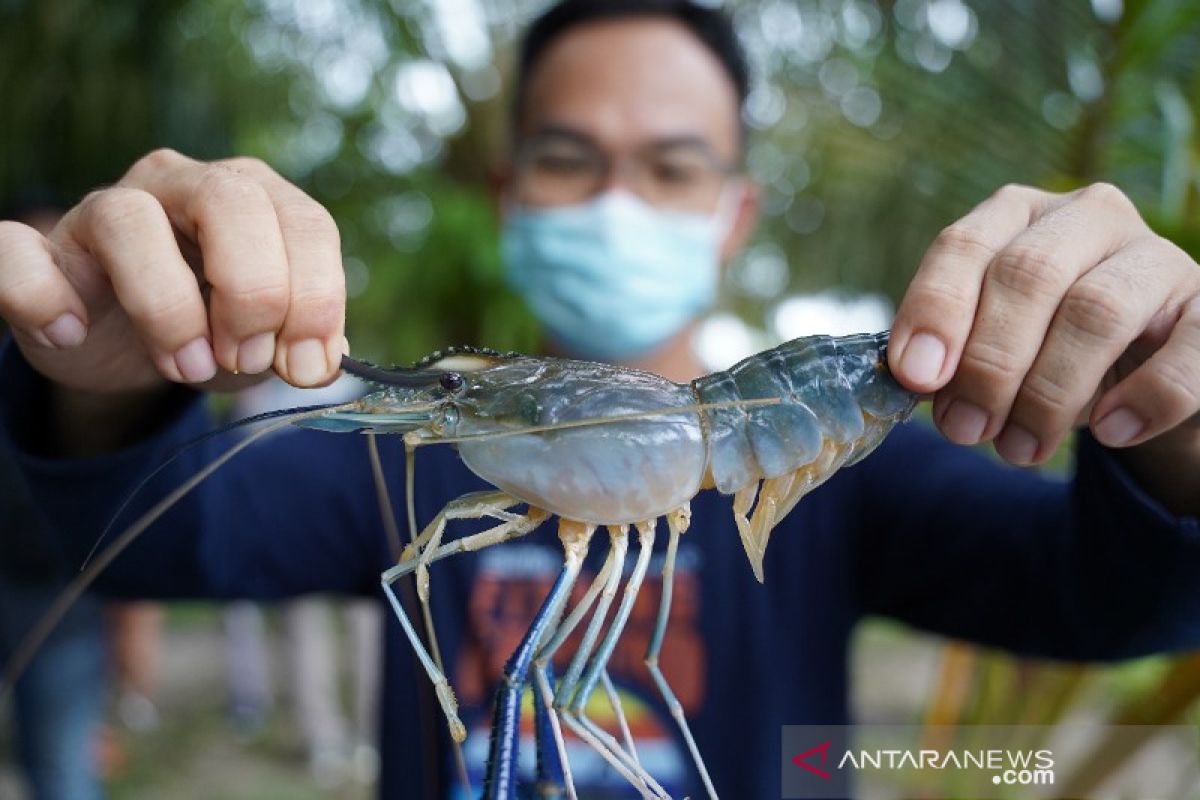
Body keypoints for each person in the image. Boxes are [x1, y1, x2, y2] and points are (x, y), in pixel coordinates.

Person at [1, 0, 1198, 797]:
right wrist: (97, 387)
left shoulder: (866, 490)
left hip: (819, 408)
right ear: (511, 191)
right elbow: (148, 539)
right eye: (571, 157)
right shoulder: (410, 467)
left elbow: (1116, 599)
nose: (617, 194)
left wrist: (1174, 429)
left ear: (737, 213)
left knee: (527, 674)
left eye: (673, 164)